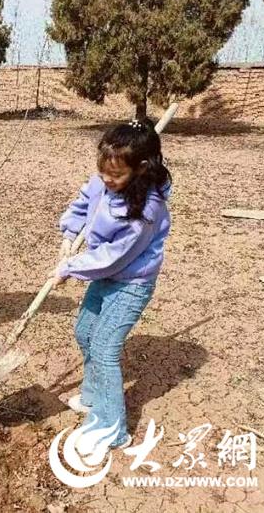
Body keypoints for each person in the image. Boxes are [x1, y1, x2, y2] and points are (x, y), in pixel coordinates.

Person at [51, 118, 172, 449]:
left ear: (142, 168)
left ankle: (111, 428)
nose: (107, 179)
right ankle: (93, 399)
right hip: (104, 274)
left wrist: (71, 267)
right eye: (103, 171)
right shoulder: (103, 181)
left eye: (116, 175)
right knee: (85, 332)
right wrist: (70, 234)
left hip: (131, 281)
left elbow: (116, 256)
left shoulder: (148, 208)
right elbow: (81, 205)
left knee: (104, 348)